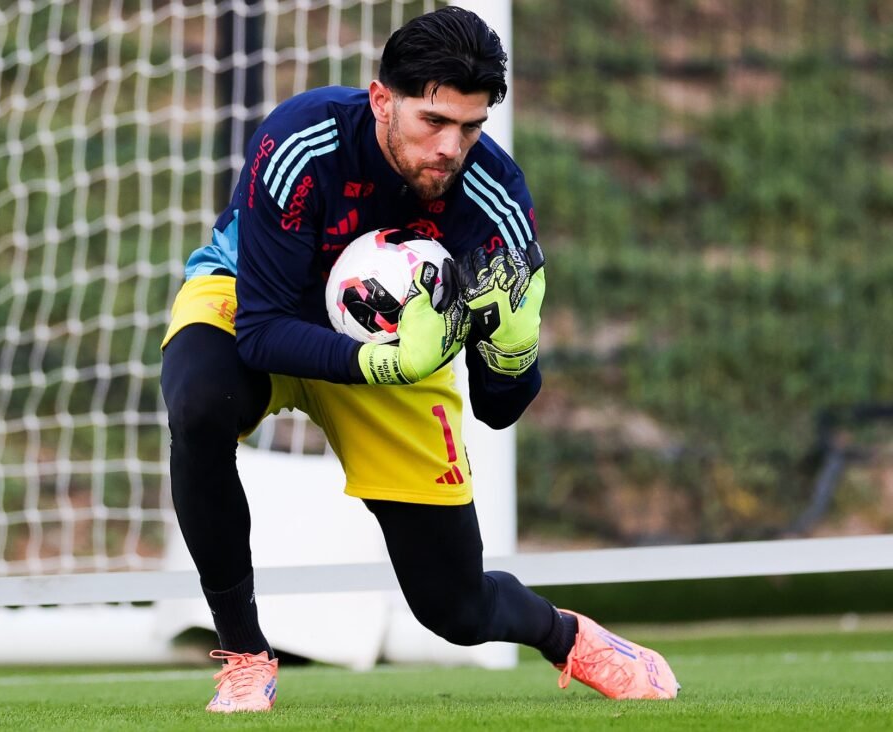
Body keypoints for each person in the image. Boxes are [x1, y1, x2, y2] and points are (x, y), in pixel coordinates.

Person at [160, 6, 679, 713]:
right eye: (432, 121)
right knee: (199, 405)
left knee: (455, 609)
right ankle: (247, 657)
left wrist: (513, 353)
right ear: (382, 99)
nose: (449, 147)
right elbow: (259, 332)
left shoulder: (495, 201)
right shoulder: (301, 140)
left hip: (403, 355)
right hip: (263, 303)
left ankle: (568, 636)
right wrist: (382, 365)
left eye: (470, 127)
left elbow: (499, 411)